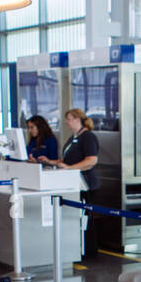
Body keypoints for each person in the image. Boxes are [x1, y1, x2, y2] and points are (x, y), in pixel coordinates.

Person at [36, 107, 100, 258]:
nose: (67, 122)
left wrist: (70, 168)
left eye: (69, 119)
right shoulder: (74, 137)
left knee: (85, 217)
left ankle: (88, 250)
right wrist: (50, 161)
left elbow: (91, 160)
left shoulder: (88, 137)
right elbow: (67, 160)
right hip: (73, 182)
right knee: (77, 216)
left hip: (85, 183)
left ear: (78, 119)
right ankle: (77, 248)